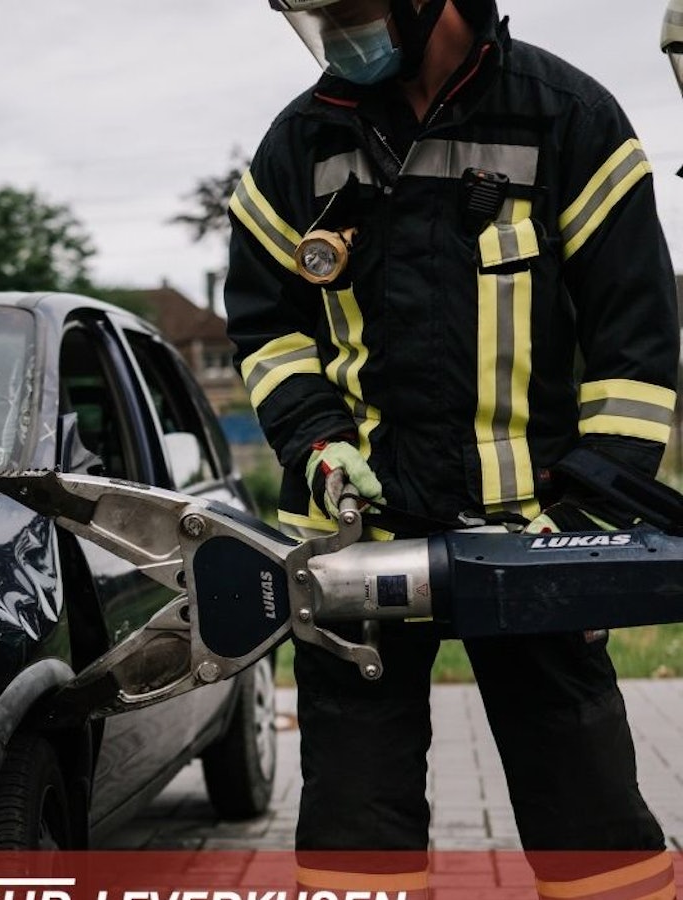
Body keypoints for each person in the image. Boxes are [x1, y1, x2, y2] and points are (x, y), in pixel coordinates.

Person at [224, 1, 679, 897]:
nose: (336, 37)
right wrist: (318, 443)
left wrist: (588, 521)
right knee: (354, 845)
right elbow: (267, 327)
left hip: (533, 539)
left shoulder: (568, 119)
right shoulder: (301, 143)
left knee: (593, 834)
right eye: (318, 18)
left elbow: (635, 347)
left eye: (349, 11)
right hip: (354, 542)